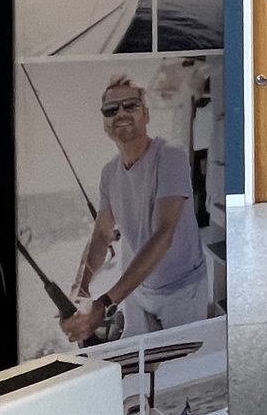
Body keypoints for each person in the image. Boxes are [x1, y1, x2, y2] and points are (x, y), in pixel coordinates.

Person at [62, 75, 209, 342]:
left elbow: (164, 233)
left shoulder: (170, 156)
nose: (121, 114)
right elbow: (102, 235)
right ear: (105, 122)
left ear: (146, 114)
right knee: (138, 361)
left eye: (130, 105)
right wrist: (80, 288)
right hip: (139, 290)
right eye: (111, 109)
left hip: (182, 290)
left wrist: (104, 305)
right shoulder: (109, 173)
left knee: (181, 362)